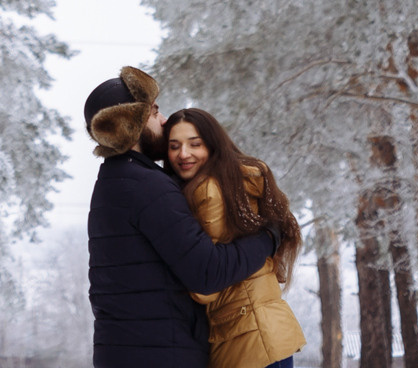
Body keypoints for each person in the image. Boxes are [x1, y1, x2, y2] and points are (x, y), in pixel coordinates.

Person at [85, 67, 277, 368]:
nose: (163, 121)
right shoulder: (146, 186)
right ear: (130, 123)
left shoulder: (113, 182)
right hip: (160, 354)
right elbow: (207, 272)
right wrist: (269, 237)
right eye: (154, 112)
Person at [163, 107, 307, 368]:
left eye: (195, 144)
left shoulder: (207, 190)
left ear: (213, 144)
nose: (183, 154)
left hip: (245, 336)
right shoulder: (235, 181)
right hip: (270, 328)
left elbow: (207, 283)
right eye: (174, 146)